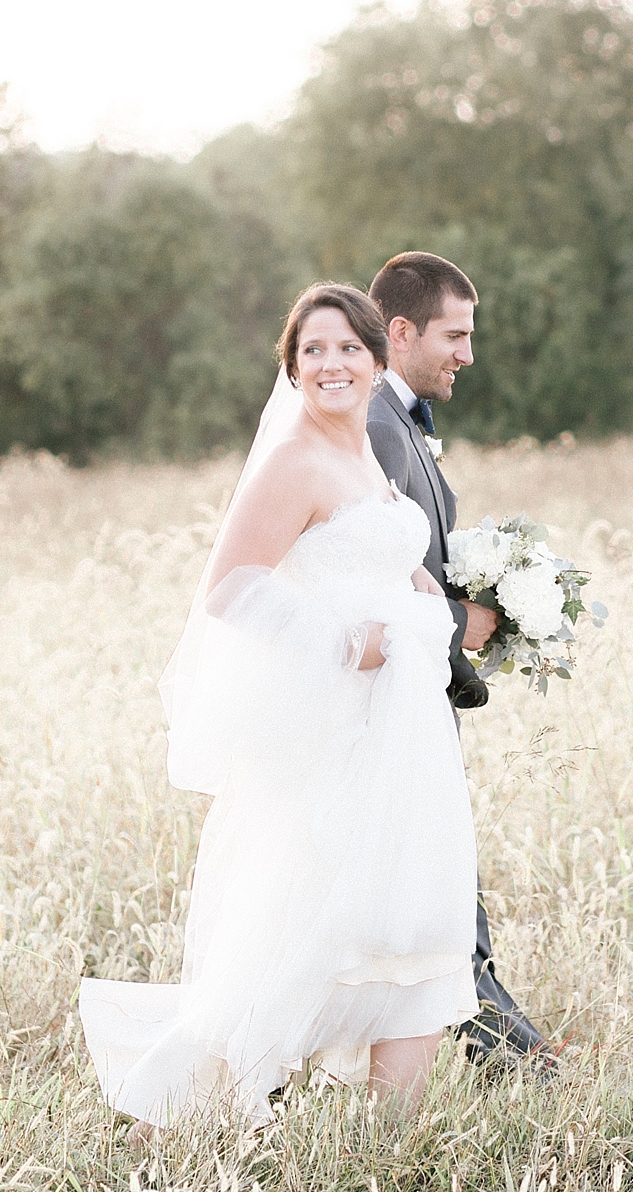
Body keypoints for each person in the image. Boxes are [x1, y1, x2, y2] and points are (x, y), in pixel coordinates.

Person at [79, 283, 479, 1133]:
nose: (331, 364)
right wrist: (348, 641)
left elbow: (384, 555)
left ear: (378, 359)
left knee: (411, 913)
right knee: (307, 919)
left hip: (401, 725)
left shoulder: (364, 455)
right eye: (312, 351)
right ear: (293, 369)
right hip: (334, 723)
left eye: (347, 349)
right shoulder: (293, 459)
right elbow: (229, 588)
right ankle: (190, 1109)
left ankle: (387, 1145)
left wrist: (431, 608)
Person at [365, 251, 558, 1074]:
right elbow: (358, 580)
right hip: (380, 700)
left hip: (415, 694)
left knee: (430, 883)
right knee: (432, 887)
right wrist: (463, 619)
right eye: (456, 334)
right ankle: (513, 1058)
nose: (467, 355)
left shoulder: (401, 421)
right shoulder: (376, 424)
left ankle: (503, 1050)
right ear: (400, 331)